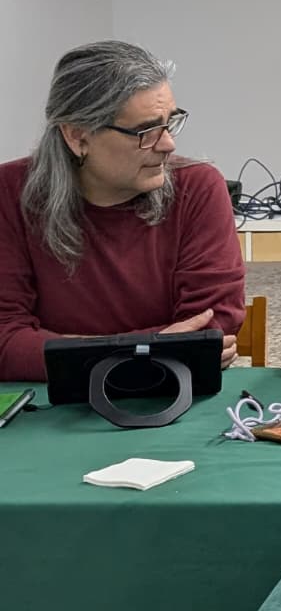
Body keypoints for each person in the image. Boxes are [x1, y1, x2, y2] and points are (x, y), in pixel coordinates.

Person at [0, 40, 244, 380]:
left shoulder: (199, 188)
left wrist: (66, 351)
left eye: (170, 122)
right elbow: (5, 342)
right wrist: (149, 347)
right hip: (50, 413)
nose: (168, 144)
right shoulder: (9, 192)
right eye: (145, 131)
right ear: (77, 136)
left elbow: (206, 332)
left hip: (171, 398)